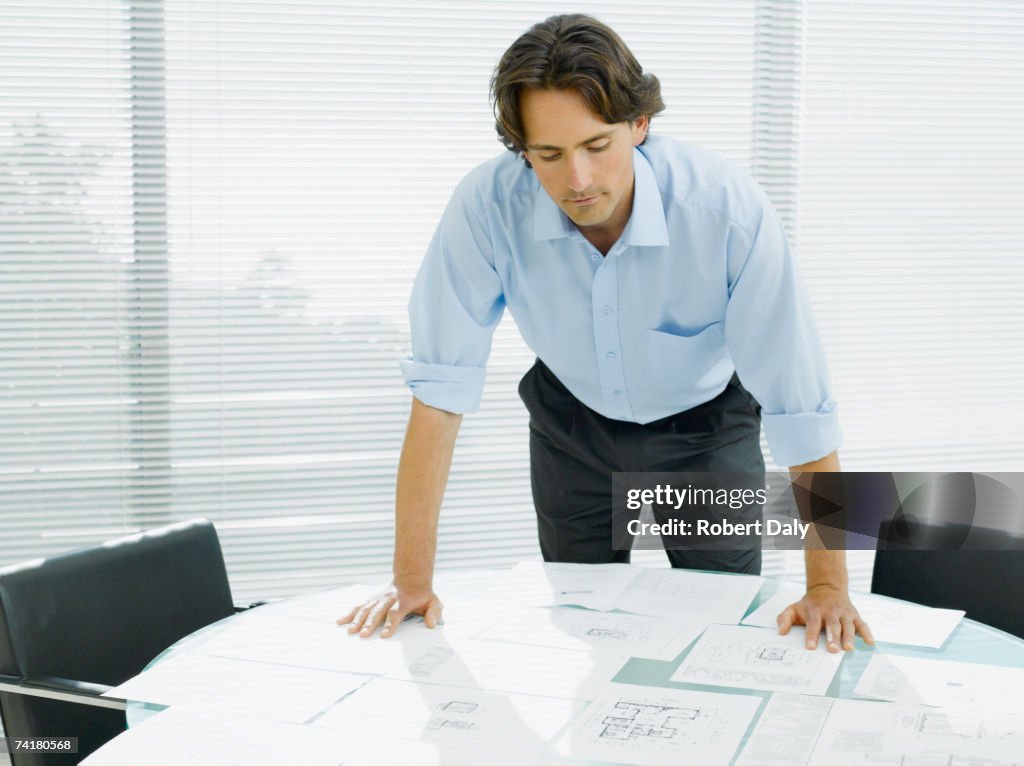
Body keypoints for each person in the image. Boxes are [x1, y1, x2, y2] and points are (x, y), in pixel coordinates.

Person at [339, 13, 874, 653]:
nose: (579, 181)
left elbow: (800, 403)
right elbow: (440, 389)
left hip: (704, 429)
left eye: (598, 146)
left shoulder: (726, 214)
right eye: (549, 155)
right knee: (587, 624)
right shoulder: (488, 208)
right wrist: (409, 581)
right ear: (521, 149)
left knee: (720, 627)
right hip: (572, 424)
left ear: (640, 125)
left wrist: (827, 589)